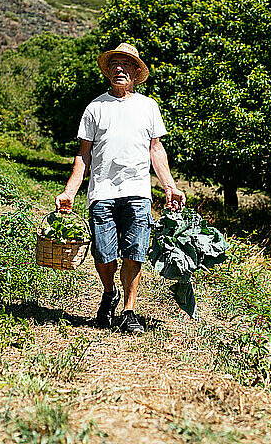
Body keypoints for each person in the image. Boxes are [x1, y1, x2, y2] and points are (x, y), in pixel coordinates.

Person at [55, 43, 185, 333]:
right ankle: (109, 291)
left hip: (137, 190)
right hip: (101, 191)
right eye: (114, 64)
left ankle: (129, 310)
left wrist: (169, 186)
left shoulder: (148, 107)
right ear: (108, 71)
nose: (119, 68)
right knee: (103, 254)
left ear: (137, 72)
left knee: (135, 250)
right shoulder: (95, 108)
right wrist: (70, 191)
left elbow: (156, 149)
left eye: (126, 64)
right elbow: (83, 154)